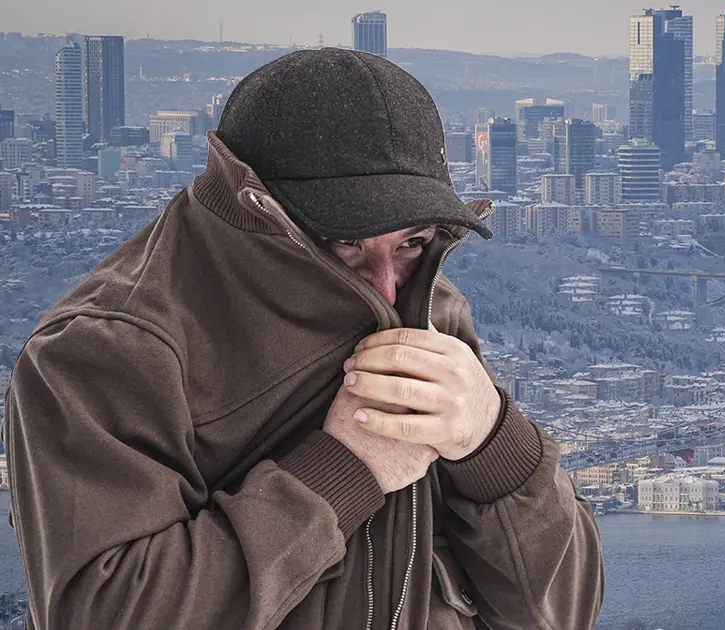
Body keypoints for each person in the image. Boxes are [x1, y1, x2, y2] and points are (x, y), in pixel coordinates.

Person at [3, 48, 604, 629]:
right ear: (264, 213)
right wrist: (344, 470)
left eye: (411, 243)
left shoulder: (427, 309)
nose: (388, 288)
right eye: (348, 242)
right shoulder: (106, 351)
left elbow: (558, 614)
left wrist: (493, 442)